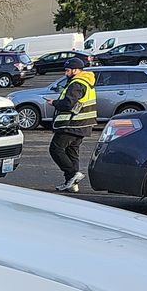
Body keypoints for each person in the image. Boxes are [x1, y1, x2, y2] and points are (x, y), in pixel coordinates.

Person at [49, 57, 97, 192]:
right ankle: (72, 184)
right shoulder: (87, 81)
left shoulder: (77, 83)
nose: (66, 73)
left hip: (71, 124)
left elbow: (67, 104)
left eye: (68, 70)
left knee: (55, 149)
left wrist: (54, 103)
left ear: (76, 70)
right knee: (72, 152)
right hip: (83, 125)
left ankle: (72, 174)